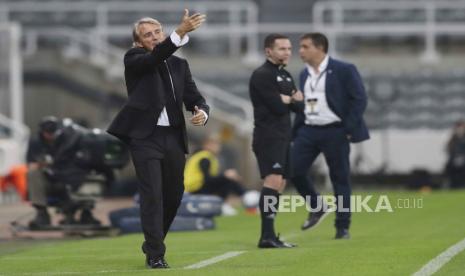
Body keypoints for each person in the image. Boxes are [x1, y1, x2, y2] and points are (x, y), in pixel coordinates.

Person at [107, 10, 209, 269]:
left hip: (173, 136)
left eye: (157, 33)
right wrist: (181, 32)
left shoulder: (179, 65)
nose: (153, 37)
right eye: (147, 35)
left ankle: (152, 242)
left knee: (174, 195)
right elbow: (155, 58)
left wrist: (201, 112)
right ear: (138, 42)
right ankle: (156, 254)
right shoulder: (134, 58)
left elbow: (194, 97)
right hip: (145, 137)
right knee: (152, 194)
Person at [291, 33, 370, 239]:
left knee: (340, 179)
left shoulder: (344, 69)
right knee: (293, 169)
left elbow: (359, 99)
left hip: (336, 130)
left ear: (320, 48)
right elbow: (308, 102)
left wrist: (347, 128)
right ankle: (317, 206)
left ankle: (342, 227)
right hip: (308, 129)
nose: (300, 51)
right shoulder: (303, 73)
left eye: (305, 46)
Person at [249, 33, 304, 248]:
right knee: (272, 181)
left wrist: (289, 99)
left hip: (283, 136)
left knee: (280, 183)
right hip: (268, 136)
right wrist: (290, 99)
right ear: (268, 51)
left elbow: (300, 107)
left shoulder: (286, 75)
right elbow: (278, 106)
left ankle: (270, 234)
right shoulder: (262, 75)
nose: (287, 52)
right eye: (282, 49)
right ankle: (266, 236)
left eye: (289, 49)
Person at [445, 120, 465, 189]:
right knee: (449, 166)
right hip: (454, 161)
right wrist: (456, 157)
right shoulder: (453, 138)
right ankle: (452, 184)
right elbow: (449, 149)